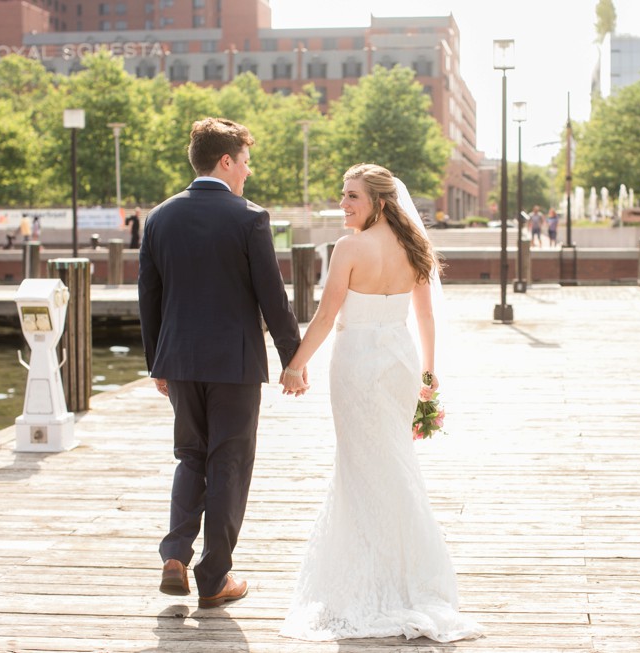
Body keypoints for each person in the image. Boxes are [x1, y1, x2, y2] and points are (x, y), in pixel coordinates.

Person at [278, 163, 483, 643]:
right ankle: (407, 575)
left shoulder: (349, 248)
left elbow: (327, 313)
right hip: (399, 359)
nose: (344, 204)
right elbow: (425, 315)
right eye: (343, 195)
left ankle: (372, 581)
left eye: (353, 197)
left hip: (357, 362)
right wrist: (429, 374)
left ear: (380, 204)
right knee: (393, 462)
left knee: (360, 466)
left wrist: (295, 365)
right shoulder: (414, 247)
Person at [138, 117, 301, 609]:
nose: (248, 173)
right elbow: (272, 297)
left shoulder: (159, 217)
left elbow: (149, 296)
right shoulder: (249, 217)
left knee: (190, 455)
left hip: (180, 361)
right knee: (228, 462)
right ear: (226, 161)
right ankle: (214, 577)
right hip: (234, 364)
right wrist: (293, 357)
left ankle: (174, 555)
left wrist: (157, 363)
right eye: (245, 163)